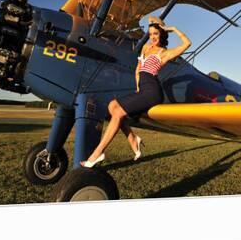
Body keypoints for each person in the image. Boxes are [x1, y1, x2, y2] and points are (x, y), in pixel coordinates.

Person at [81, 16, 192, 167]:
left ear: (162, 34)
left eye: (156, 34)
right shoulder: (146, 48)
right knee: (112, 106)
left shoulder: (164, 53)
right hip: (143, 89)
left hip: (152, 92)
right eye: (151, 34)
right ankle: (133, 138)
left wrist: (172, 29)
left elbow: (187, 43)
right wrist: (138, 87)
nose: (153, 37)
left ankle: (97, 153)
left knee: (118, 112)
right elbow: (138, 69)